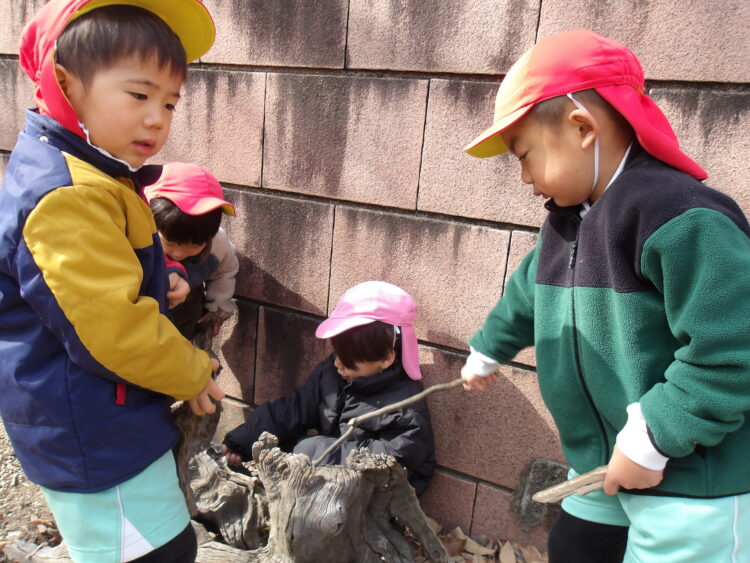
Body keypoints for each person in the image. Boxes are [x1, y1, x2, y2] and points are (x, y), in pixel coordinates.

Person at [461, 30, 750, 562]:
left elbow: (732, 349)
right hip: (606, 459)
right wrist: (487, 349)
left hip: (695, 477)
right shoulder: (567, 225)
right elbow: (527, 296)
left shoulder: (681, 218)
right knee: (576, 546)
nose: (523, 177)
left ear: (582, 128)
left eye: (524, 155)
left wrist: (655, 435)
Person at [0, 1, 225, 561]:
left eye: (169, 102)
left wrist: (165, 276)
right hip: (93, 432)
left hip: (98, 416)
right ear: (65, 84)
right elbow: (114, 332)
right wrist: (192, 369)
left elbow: (103, 274)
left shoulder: (90, 170)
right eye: (139, 95)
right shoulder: (69, 196)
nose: (157, 118)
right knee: (156, 553)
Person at [222, 281, 437, 496]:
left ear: (386, 358)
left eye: (349, 362)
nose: (337, 364)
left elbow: (392, 462)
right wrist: (241, 441)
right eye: (337, 354)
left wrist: (315, 451)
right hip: (330, 465)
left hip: (381, 494)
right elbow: (294, 409)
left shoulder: (405, 404)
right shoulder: (332, 373)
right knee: (277, 447)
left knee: (304, 450)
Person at [144, 162, 240, 341]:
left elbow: (226, 270)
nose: (179, 254)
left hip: (186, 316)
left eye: (195, 245)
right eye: (170, 243)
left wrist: (216, 309)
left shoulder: (218, 245)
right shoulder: (137, 240)